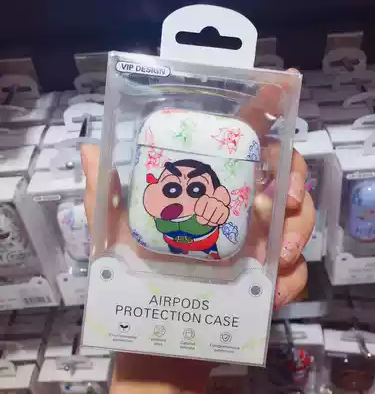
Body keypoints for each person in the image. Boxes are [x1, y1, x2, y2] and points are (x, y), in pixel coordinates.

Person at [81, 74, 315, 394]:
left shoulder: (215, 214)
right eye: (172, 188)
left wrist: (169, 367)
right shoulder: (149, 220)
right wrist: (148, 360)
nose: (183, 197)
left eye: (195, 189)